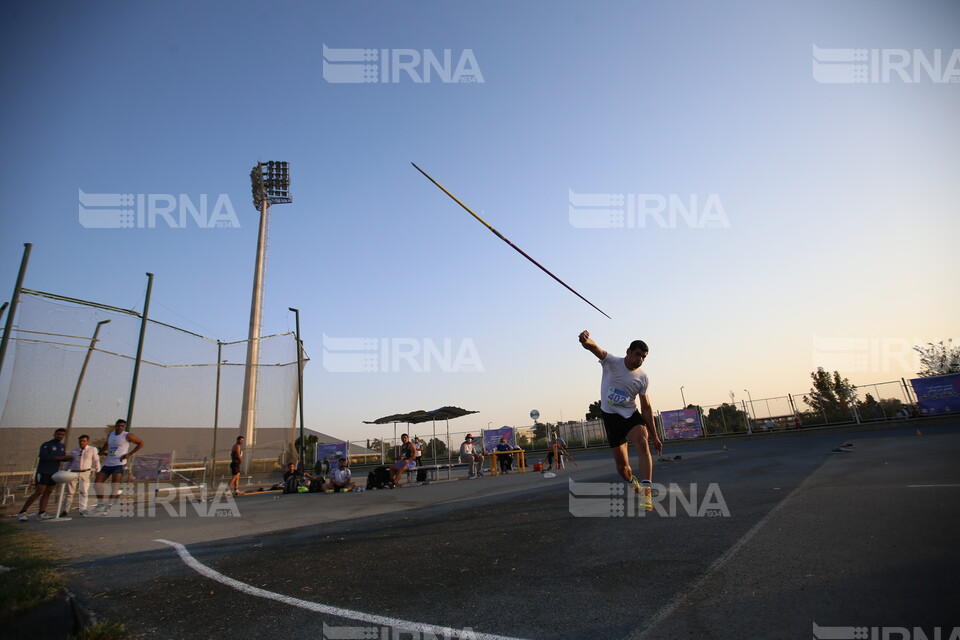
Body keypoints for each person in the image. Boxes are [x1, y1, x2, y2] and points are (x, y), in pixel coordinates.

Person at [578, 330, 662, 504]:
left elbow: (646, 407)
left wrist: (654, 436)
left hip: (631, 416)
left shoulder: (643, 377)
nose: (640, 359)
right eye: (637, 354)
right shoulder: (612, 362)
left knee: (641, 440)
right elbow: (595, 348)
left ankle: (646, 491)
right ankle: (634, 483)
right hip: (611, 419)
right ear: (628, 352)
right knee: (623, 468)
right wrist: (585, 341)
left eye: (644, 357)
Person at [90, 419, 145, 514]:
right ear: (115, 426)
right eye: (118, 425)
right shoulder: (111, 434)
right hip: (108, 463)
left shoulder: (127, 435)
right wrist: (102, 451)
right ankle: (100, 503)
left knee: (114, 485)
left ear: (124, 427)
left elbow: (141, 443)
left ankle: (109, 505)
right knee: (97, 483)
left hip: (119, 463)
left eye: (122, 426)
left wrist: (129, 454)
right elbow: (107, 444)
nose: (120, 427)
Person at [17, 428, 73, 521]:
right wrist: (61, 457)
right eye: (58, 434)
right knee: (39, 491)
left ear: (64, 436)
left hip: (54, 473)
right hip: (43, 471)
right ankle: (22, 512)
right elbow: (44, 457)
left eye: (62, 435)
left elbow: (61, 458)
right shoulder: (47, 445)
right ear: (54, 434)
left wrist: (69, 458)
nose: (60, 436)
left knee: (48, 492)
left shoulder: (62, 446)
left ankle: (42, 512)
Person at [61, 433, 100, 517]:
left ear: (87, 441)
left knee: (84, 491)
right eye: (80, 441)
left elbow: (96, 460)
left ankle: (83, 509)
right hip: (74, 472)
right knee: (70, 492)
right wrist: (64, 471)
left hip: (85, 472)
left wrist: (98, 470)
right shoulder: (74, 451)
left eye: (83, 441)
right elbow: (69, 462)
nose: (81, 443)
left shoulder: (92, 449)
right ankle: (65, 510)